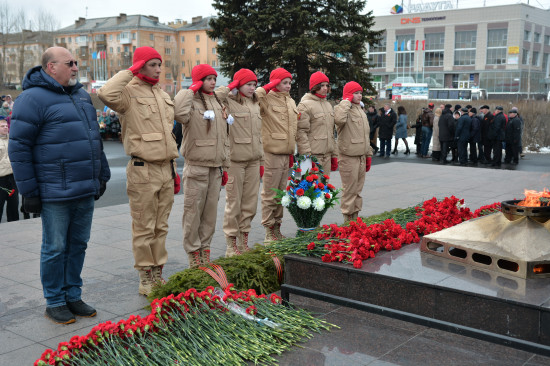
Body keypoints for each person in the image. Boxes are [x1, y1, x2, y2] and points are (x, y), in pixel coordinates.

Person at [8, 47, 110, 324]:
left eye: (76, 62)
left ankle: (73, 295)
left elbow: (93, 139)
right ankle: (54, 301)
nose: (76, 67)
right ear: (51, 67)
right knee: (54, 248)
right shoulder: (31, 98)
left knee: (78, 244)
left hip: (84, 188)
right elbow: (19, 148)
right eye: (70, 63)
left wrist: (102, 173)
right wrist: (28, 192)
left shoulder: (80, 95)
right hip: (54, 191)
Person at [98, 46, 179, 295]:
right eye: (152, 64)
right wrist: (130, 71)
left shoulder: (161, 93)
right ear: (140, 65)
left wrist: (174, 171)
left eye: (159, 64)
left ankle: (158, 273)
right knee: (144, 226)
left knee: (161, 226)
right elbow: (105, 93)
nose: (158, 69)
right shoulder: (128, 93)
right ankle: (145, 277)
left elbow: (167, 135)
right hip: (143, 169)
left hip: (166, 168)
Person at [174, 64, 230, 267]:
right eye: (207, 79)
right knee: (192, 213)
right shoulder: (191, 102)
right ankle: (193, 253)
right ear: (198, 81)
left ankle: (205, 249)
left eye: (214, 78)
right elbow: (179, 113)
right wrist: (190, 89)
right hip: (196, 166)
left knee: (209, 214)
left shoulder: (216, 102)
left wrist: (225, 165)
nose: (213, 82)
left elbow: (224, 136)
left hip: (215, 168)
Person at [221, 69, 263, 256]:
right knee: (234, 203)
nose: (252, 88)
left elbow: (259, 135)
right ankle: (231, 244)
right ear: (239, 85)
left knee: (250, 204)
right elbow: (215, 95)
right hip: (235, 162)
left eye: (254, 85)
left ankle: (243, 239)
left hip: (253, 160)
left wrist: (261, 160)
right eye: (248, 84)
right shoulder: (229, 102)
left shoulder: (255, 104)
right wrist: (231, 87)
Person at [256, 67, 298, 242]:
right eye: (284, 82)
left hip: (285, 153)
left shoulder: (290, 101)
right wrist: (269, 85)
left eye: (289, 83)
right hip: (272, 153)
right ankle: (268, 230)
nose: (288, 86)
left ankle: (277, 228)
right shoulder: (266, 98)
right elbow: (255, 97)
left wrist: (291, 152)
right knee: (270, 194)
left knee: (281, 194)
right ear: (275, 83)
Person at [334, 81, 372, 222]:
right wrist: (346, 101)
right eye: (355, 93)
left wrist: (368, 154)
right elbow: (338, 120)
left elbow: (365, 135)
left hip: (361, 156)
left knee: (357, 190)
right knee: (349, 190)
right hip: (348, 157)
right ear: (349, 95)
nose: (359, 96)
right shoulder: (342, 108)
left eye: (360, 93)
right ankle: (347, 220)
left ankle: (355, 217)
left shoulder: (360, 110)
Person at [296, 71, 338, 175]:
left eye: (327, 85)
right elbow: (301, 132)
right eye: (321, 85)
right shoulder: (304, 105)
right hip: (314, 156)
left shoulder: (328, 105)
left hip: (327, 155)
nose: (325, 88)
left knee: (324, 189)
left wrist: (334, 155)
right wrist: (307, 157)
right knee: (312, 189)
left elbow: (331, 133)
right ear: (314, 87)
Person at [0, 118, 19, 222]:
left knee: (13, 207)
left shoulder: (12, 140)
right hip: (1, 179)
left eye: (6, 126)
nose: (5, 127)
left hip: (12, 178)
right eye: (2, 126)